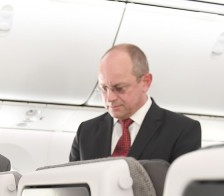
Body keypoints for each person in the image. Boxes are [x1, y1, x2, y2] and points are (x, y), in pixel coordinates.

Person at [69, 43, 201, 163]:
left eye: (119, 88)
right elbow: (72, 181)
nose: (109, 98)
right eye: (103, 88)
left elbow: (181, 182)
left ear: (145, 82)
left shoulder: (182, 130)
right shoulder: (86, 132)